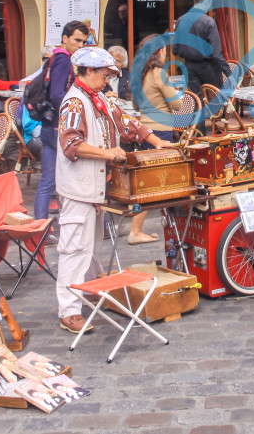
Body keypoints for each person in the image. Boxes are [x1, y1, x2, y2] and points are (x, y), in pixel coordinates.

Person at [54, 46, 172, 334]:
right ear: (88, 71)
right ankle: (68, 310)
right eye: (104, 75)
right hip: (78, 187)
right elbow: (71, 145)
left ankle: (91, 291)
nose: (107, 81)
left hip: (93, 187)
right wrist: (108, 155)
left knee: (90, 246)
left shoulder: (97, 99)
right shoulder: (74, 103)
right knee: (74, 248)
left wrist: (155, 141)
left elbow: (125, 122)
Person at [28, 20, 89, 219]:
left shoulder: (55, 57)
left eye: (84, 42)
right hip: (58, 128)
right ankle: (97, 223)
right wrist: (74, 113)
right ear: (65, 38)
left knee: (47, 181)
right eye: (77, 40)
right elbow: (56, 95)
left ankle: (40, 227)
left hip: (48, 126)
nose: (80, 45)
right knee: (81, 176)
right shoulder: (63, 60)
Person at [128, 35, 184, 244]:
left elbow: (135, 106)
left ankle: (138, 227)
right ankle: (136, 231)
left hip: (145, 131)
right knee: (152, 186)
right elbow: (177, 105)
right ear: (160, 52)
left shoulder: (139, 74)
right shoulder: (159, 73)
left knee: (143, 185)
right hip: (160, 133)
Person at [174, 0, 231, 93]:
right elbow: (216, 54)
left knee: (197, 104)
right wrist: (229, 75)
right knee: (215, 104)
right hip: (209, 69)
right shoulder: (209, 22)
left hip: (189, 68)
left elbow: (175, 50)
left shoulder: (180, 20)